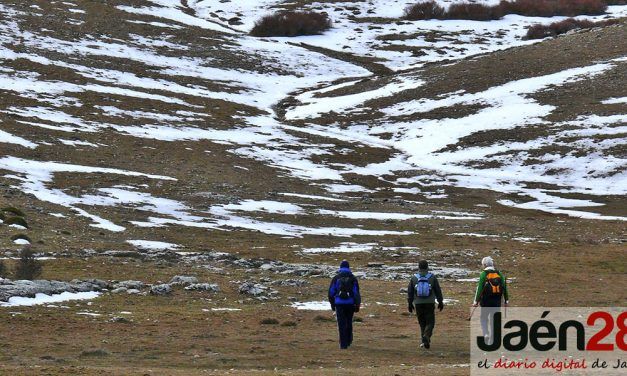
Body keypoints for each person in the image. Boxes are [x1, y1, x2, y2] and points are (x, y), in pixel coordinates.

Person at [407, 260, 444, 349]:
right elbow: (438, 290)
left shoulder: (414, 278)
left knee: (422, 322)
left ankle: (424, 340)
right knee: (430, 322)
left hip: (418, 303)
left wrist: (410, 303)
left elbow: (410, 291)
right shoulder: (432, 277)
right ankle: (426, 337)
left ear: (418, 267)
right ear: (427, 267)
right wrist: (440, 301)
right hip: (430, 303)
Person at [472, 256, 509, 343]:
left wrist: (475, 302)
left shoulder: (483, 274)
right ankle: (492, 339)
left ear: (484, 265)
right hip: (497, 301)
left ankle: (486, 333)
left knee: (483, 318)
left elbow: (479, 288)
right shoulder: (499, 273)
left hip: (486, 301)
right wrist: (506, 300)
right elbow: (504, 287)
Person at [328, 260, 361, 349]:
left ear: (340, 267)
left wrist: (332, 305)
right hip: (350, 304)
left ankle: (343, 344)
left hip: (339, 304)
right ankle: (349, 340)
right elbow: (356, 293)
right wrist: (357, 305)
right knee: (349, 322)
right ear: (348, 267)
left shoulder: (336, 278)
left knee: (341, 324)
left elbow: (331, 293)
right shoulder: (353, 278)